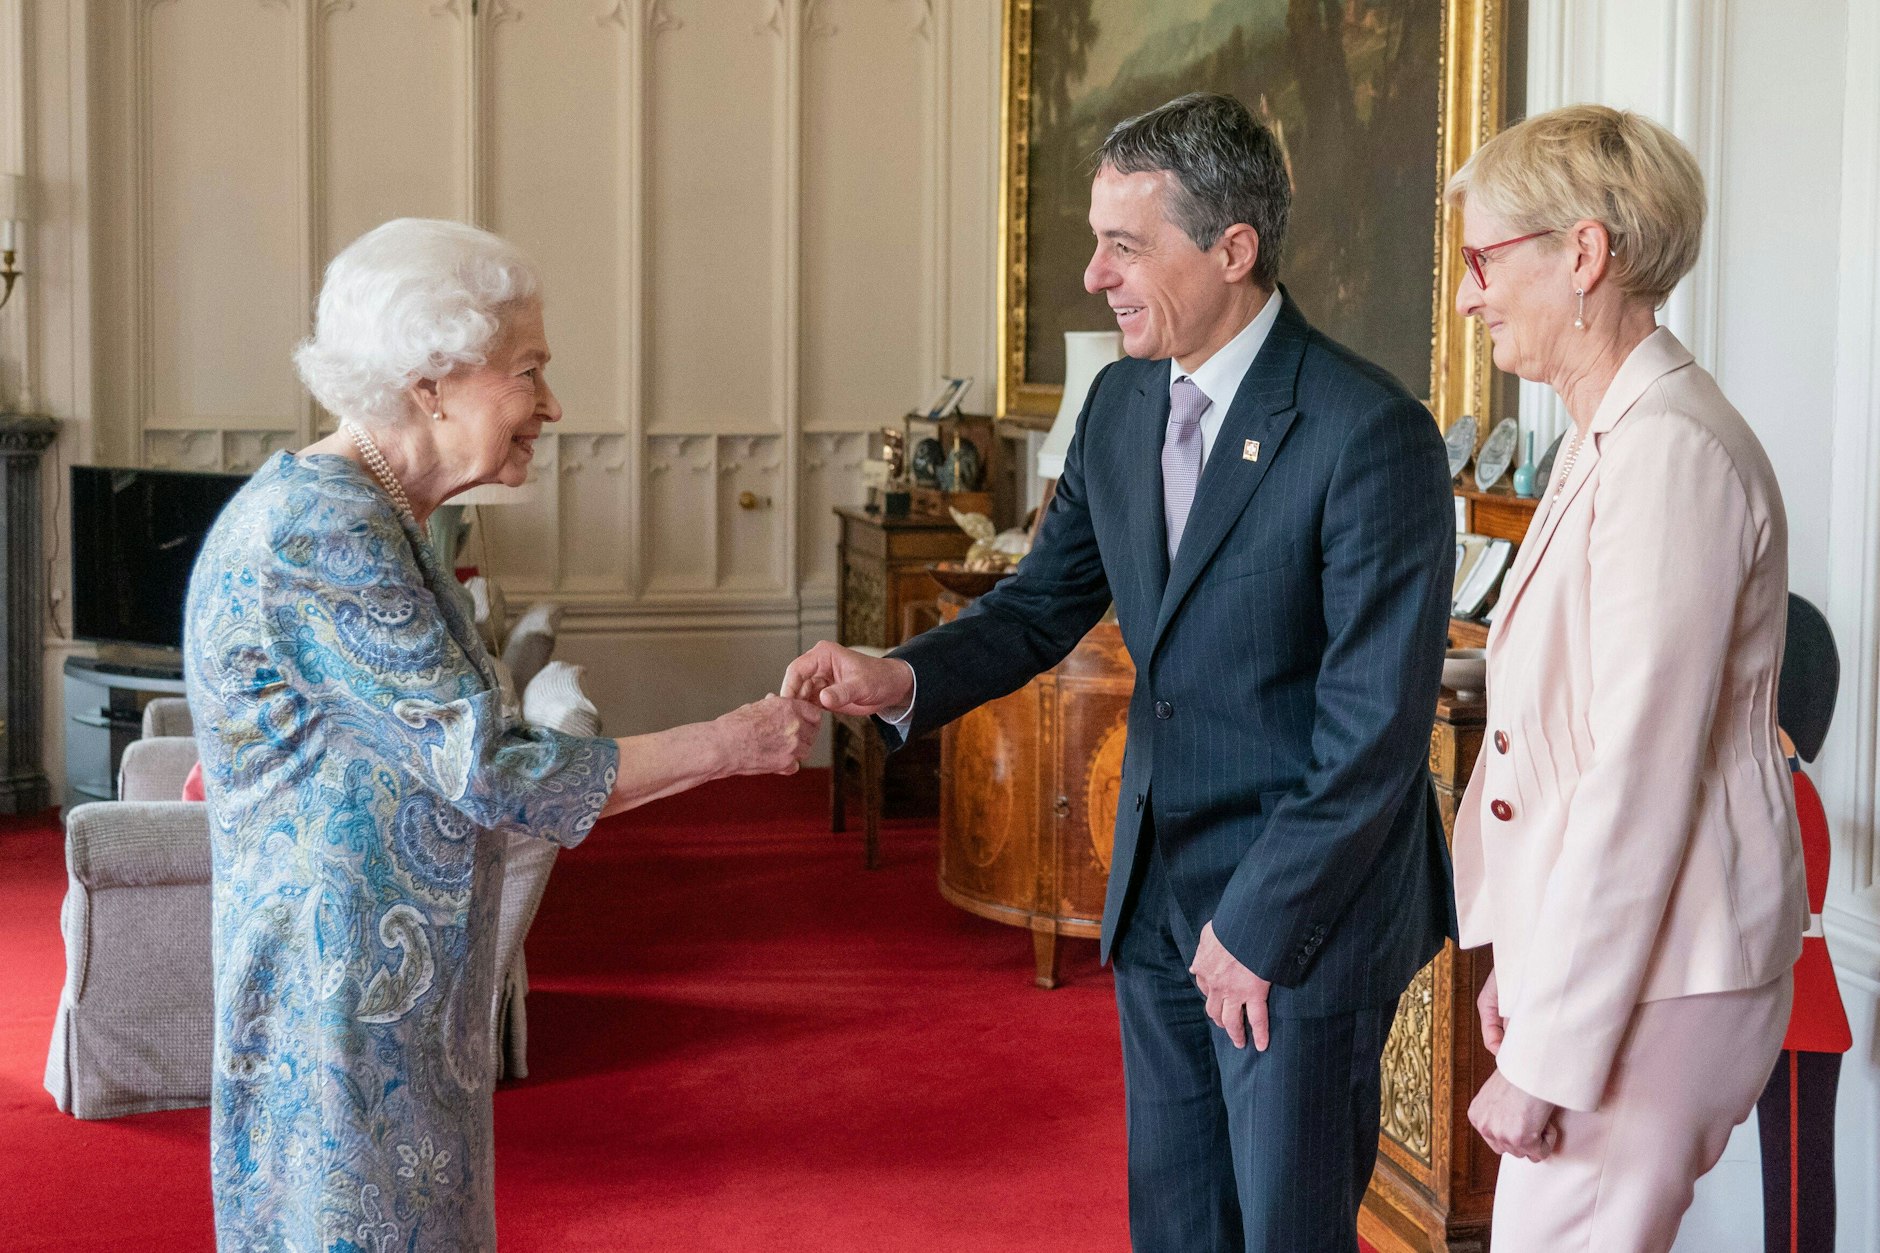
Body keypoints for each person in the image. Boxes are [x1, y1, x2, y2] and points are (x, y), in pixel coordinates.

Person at [784, 93, 1456, 1252]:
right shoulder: (1117, 401)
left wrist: (1257, 922)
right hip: (1156, 896)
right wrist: (899, 679)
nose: (1092, 275)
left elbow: (1373, 734)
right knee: (1180, 1225)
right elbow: (1043, 602)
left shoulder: (1366, 429)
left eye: (1123, 244)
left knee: (1283, 1233)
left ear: (1231, 249)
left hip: (1299, 917)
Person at [184, 218, 820, 1251]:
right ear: (430, 381)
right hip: (340, 1013)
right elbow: (490, 766)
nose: (553, 406)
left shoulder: (382, 514)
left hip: (391, 1001)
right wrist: (728, 741)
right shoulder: (324, 527)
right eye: (528, 371)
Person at [1447, 105, 1808, 1251]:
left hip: (1667, 966)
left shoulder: (1667, 453)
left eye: (1482, 260)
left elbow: (1636, 776)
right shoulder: (1612, 432)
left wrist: (1552, 1042)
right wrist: (1522, 949)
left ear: (1583, 254)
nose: (1468, 295)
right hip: (1627, 961)